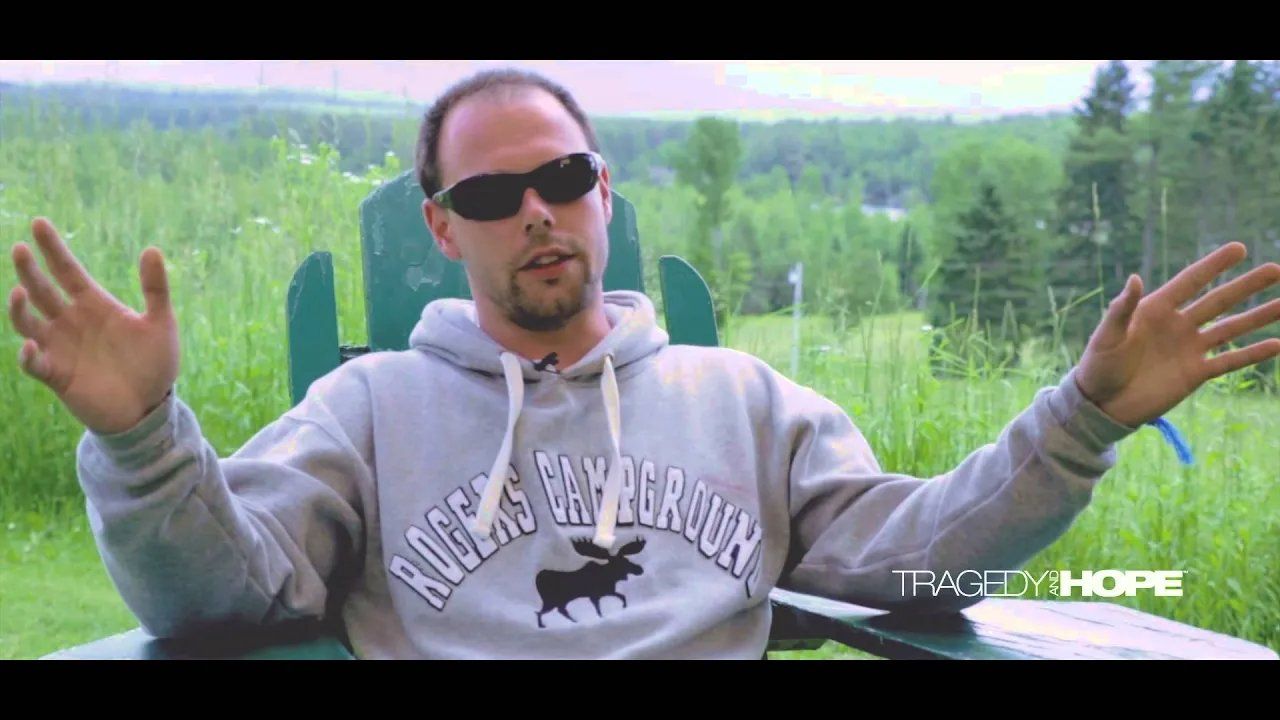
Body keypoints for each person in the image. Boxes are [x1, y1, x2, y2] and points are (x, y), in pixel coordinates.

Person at [8, 68, 1280, 660]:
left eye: (562, 177)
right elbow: (217, 603)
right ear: (442, 228)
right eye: (491, 194)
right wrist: (141, 442)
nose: (535, 212)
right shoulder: (366, 409)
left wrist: (1080, 420)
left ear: (603, 190)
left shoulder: (744, 402)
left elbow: (912, 562)